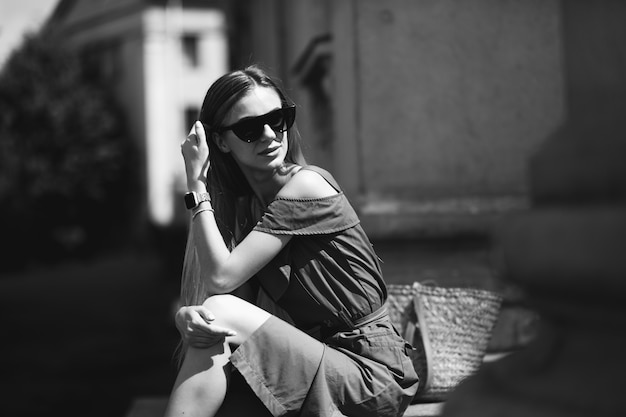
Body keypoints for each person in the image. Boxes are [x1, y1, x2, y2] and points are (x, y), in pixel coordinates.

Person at [164, 65, 419, 417]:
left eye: (278, 119)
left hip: (370, 375)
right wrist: (187, 317)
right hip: (323, 361)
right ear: (220, 141)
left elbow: (220, 280)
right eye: (249, 129)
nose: (270, 135)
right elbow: (231, 305)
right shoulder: (250, 211)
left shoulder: (306, 187)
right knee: (215, 333)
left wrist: (196, 188)